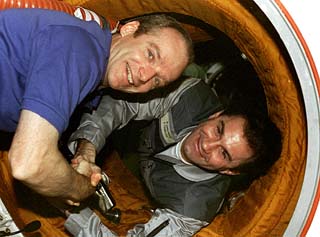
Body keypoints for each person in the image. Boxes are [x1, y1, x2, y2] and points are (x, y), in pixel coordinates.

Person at [0, 8, 193, 206]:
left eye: (157, 81)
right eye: (150, 54)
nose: (145, 76)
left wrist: (84, 152)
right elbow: (30, 163)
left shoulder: (95, 78)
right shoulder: (81, 50)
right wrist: (81, 188)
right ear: (129, 29)